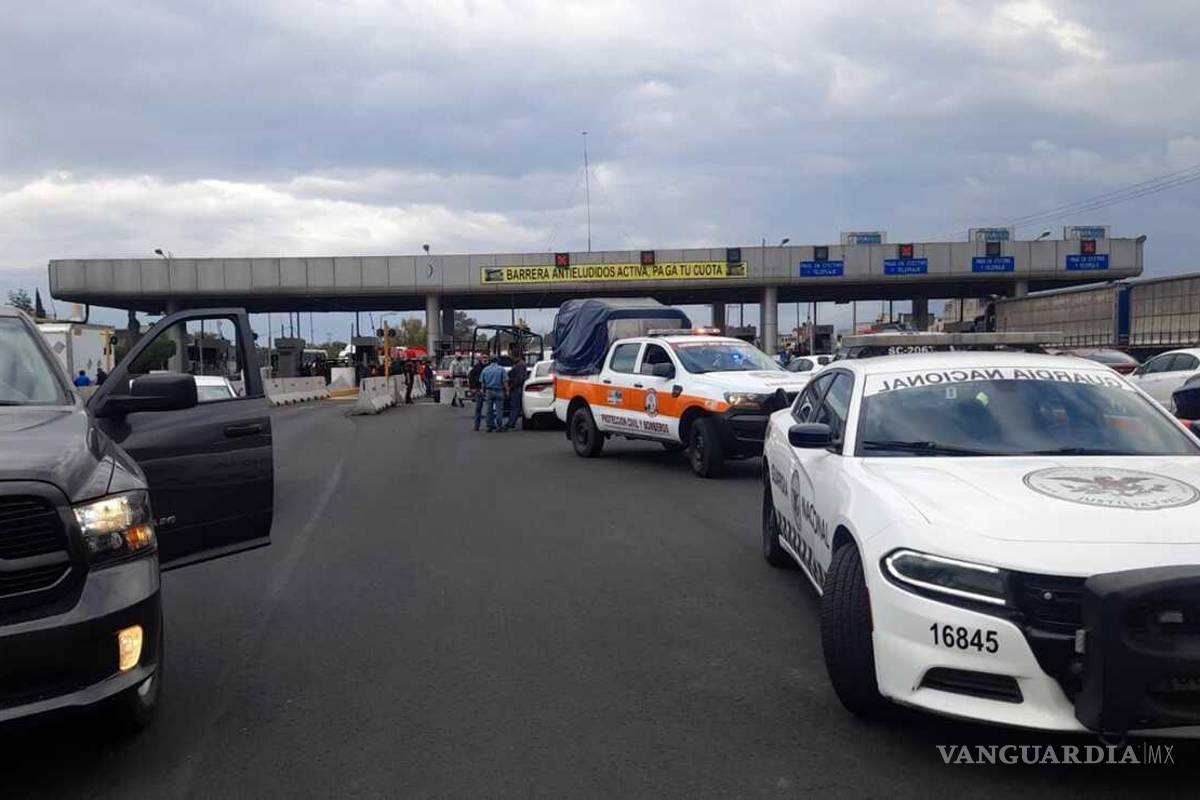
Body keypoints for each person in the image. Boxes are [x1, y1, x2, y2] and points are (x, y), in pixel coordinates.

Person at [479, 356, 507, 432]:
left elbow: (483, 383)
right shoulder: (501, 369)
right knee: (499, 410)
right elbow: (505, 381)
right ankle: (499, 426)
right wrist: (507, 391)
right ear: (497, 361)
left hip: (488, 391)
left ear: (490, 361)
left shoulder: (485, 370)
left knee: (489, 410)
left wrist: (483, 391)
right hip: (499, 391)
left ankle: (489, 426)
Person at [504, 356, 528, 431]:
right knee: (516, 406)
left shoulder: (519, 365)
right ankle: (511, 422)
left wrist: (511, 386)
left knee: (515, 406)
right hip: (519, 387)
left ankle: (511, 422)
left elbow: (518, 378)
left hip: (516, 388)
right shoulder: (521, 364)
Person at [468, 356, 486, 430]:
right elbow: (471, 378)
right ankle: (476, 425)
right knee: (478, 408)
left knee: (490, 409)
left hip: (488, 389)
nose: (485, 359)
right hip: (478, 389)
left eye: (486, 357)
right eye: (483, 357)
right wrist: (472, 388)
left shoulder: (489, 366)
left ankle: (490, 424)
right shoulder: (476, 367)